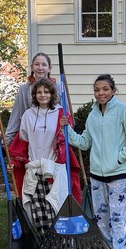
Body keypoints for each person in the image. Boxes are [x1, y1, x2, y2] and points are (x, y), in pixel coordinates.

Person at [62, 74, 126, 249]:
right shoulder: (92, 115)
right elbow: (85, 142)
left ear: (113, 90)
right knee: (101, 218)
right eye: (97, 90)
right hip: (97, 175)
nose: (101, 93)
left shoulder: (123, 111)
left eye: (105, 89)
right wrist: (68, 131)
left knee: (118, 217)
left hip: (118, 174)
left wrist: (119, 159)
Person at [8, 77, 82, 235]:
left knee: (55, 207)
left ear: (52, 93)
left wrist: (65, 126)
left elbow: (67, 139)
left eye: (46, 91)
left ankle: (59, 240)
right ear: (34, 95)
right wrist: (15, 162)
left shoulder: (61, 114)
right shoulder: (28, 115)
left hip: (53, 168)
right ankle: (43, 241)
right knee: (38, 208)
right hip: (34, 168)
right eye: (39, 92)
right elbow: (22, 142)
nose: (42, 95)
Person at [5, 51, 52, 147]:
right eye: (37, 64)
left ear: (49, 68)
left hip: (51, 138)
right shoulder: (25, 89)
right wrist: (7, 140)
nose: (40, 68)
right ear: (32, 67)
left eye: (44, 65)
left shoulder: (58, 88)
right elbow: (17, 115)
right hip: (30, 138)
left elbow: (65, 116)